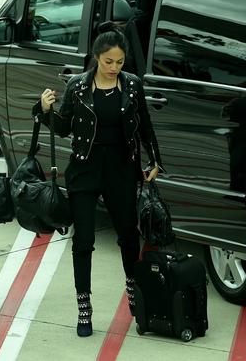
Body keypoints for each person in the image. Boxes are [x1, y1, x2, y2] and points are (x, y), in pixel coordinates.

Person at [33, 21, 164, 337]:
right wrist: (44, 109)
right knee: (84, 241)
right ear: (96, 57)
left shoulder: (131, 85)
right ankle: (84, 307)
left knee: (129, 236)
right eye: (108, 62)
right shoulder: (78, 85)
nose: (114, 68)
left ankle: (134, 292)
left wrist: (155, 160)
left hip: (121, 168)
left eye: (119, 62)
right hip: (85, 169)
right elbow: (64, 127)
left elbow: (144, 125)